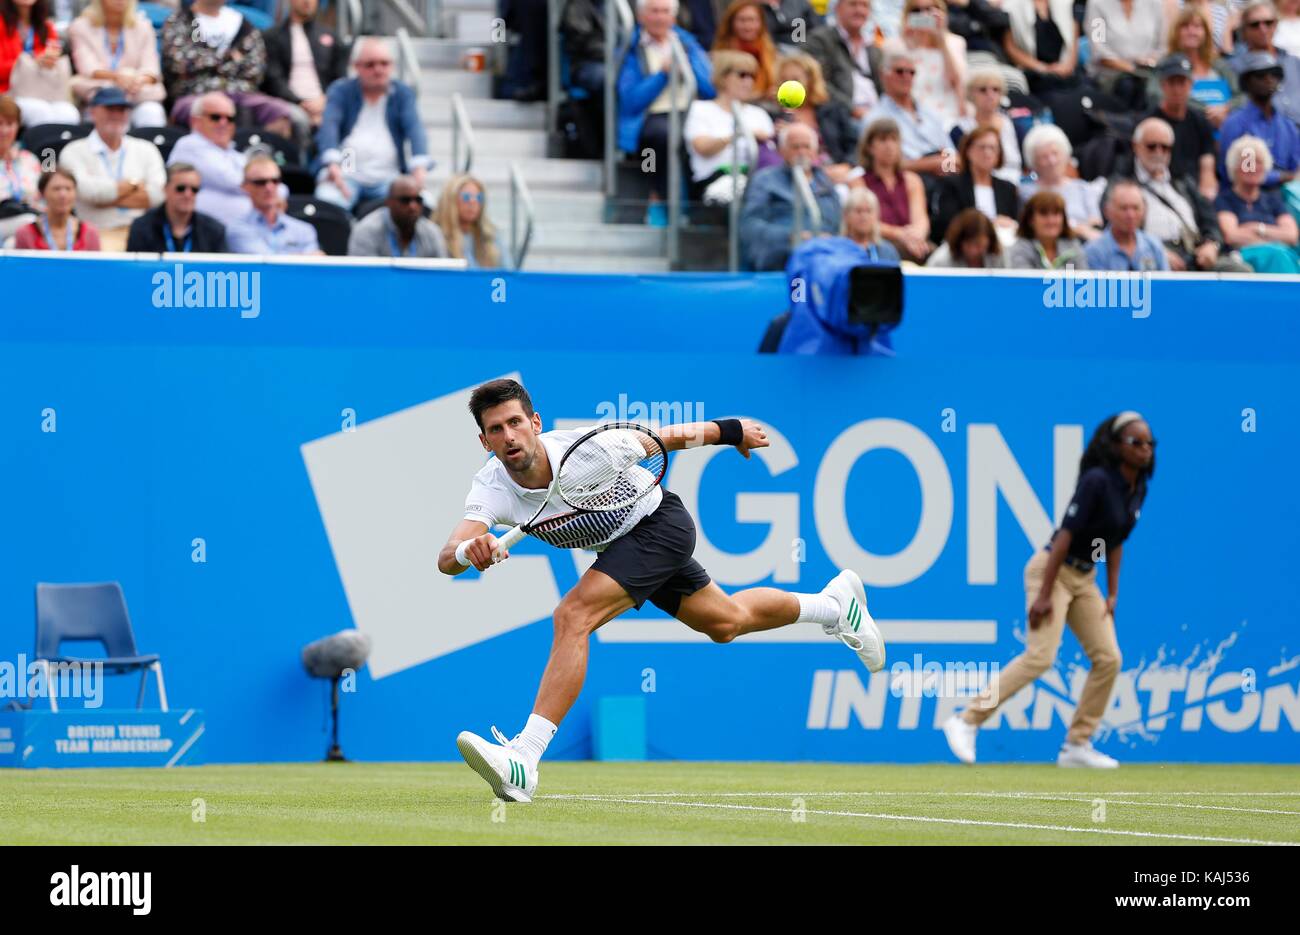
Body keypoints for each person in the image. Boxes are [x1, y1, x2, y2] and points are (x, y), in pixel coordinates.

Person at [442, 379, 885, 802]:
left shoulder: (588, 452)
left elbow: (666, 437)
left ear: (535, 423)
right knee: (726, 621)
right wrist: (470, 549)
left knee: (572, 615)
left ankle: (525, 757)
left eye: (515, 422)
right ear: (485, 442)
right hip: (623, 546)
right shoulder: (493, 486)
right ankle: (834, 606)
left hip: (660, 525)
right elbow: (446, 559)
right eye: (496, 429)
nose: (509, 436)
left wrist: (731, 432)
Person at [943, 413, 1156, 769]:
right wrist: (1043, 594)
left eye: (1150, 443)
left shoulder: (1137, 489)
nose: (1145, 450)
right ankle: (966, 720)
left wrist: (1112, 592)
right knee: (1040, 657)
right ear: (1118, 446)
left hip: (1085, 580)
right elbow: (1065, 536)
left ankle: (1077, 745)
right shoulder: (1097, 481)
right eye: (1136, 443)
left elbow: (1116, 542)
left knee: (1109, 658)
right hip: (1052, 572)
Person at [617, 0, 715, 227]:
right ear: (641, 16)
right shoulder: (631, 48)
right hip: (650, 115)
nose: (660, 17)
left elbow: (710, 88)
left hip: (691, 112)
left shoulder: (687, 44)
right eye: (654, 12)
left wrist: (688, 66)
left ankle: (702, 208)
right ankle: (670, 205)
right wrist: (662, 75)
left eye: (665, 12)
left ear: (673, 17)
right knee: (664, 137)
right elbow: (630, 101)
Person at [315, 37, 431, 213]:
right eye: (370, 64)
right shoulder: (342, 90)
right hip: (348, 169)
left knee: (426, 203)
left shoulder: (402, 93)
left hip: (389, 176)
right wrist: (332, 163)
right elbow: (330, 126)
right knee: (328, 202)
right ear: (356, 66)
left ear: (392, 66)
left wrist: (419, 167)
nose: (378, 70)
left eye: (384, 64)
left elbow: (415, 130)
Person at [161, 0, 295, 137]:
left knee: (287, 115)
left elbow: (254, 68)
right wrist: (231, 57)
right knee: (216, 111)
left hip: (243, 93)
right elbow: (182, 64)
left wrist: (208, 63)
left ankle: (259, 152)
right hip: (196, 94)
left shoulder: (241, 23)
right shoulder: (183, 20)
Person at [1127, 114, 1244, 271]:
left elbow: (1210, 221)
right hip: (1152, 257)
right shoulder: (1124, 184)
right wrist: (1155, 251)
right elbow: (1120, 231)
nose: (1159, 152)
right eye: (1151, 146)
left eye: (1165, 147)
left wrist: (1212, 245)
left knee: (1240, 272)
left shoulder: (1183, 182)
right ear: (1136, 146)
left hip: (1195, 255)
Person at [58, 85, 165, 252]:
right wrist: (134, 185)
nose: (116, 115)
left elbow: (158, 195)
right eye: (110, 109)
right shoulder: (73, 151)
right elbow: (87, 192)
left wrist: (101, 201)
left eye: (121, 109)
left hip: (143, 234)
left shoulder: (146, 149)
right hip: (96, 233)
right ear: (93, 112)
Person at [738, 121, 843, 269]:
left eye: (806, 147)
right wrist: (791, 236)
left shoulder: (825, 182)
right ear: (782, 151)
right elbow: (750, 224)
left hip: (825, 256)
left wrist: (829, 239)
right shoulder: (766, 180)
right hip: (782, 255)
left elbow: (839, 223)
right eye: (795, 147)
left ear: (815, 151)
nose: (801, 152)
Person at [683, 50, 775, 195]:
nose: (748, 81)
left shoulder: (759, 114)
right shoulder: (700, 109)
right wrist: (741, 134)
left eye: (752, 76)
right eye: (742, 75)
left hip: (756, 180)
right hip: (715, 180)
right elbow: (702, 148)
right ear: (723, 77)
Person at [67, 0, 166, 128]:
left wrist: (136, 81)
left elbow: (151, 68)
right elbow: (87, 67)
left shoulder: (144, 26)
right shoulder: (81, 26)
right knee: (107, 113)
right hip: (99, 94)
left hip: (136, 93)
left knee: (151, 112)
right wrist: (117, 78)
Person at [261, 0, 350, 131]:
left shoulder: (331, 36)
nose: (308, 1)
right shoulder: (272, 37)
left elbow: (340, 77)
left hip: (325, 102)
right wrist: (300, 103)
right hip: (289, 105)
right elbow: (274, 79)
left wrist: (325, 100)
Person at [1216, 133, 1300, 271]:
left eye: (1258, 162)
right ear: (1235, 168)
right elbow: (1232, 236)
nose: (1252, 167)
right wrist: (1273, 238)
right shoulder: (1225, 199)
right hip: (1243, 259)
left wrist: (1256, 228)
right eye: (1247, 162)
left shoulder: (1273, 199)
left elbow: (1291, 235)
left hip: (1279, 255)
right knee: (1277, 254)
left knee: (1280, 255)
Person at [862, 47, 951, 176]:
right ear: (883, 75)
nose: (906, 76)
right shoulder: (875, 118)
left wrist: (946, 169)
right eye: (900, 71)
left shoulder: (930, 113)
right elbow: (880, 164)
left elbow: (952, 155)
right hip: (907, 180)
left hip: (944, 179)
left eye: (911, 72)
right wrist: (933, 163)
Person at [852, 116, 932, 259]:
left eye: (894, 140)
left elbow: (921, 218)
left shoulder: (912, 180)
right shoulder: (859, 182)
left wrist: (916, 237)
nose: (889, 146)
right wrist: (900, 234)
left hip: (912, 243)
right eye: (883, 140)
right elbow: (865, 221)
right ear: (870, 147)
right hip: (878, 243)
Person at [167, 92, 250, 228]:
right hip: (201, 235)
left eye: (229, 118)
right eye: (215, 117)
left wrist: (259, 187)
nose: (224, 123)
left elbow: (279, 188)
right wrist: (257, 188)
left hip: (241, 230)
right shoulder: (190, 145)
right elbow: (232, 180)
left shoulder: (234, 154)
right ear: (195, 121)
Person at [1144, 53, 1220, 199]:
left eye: (1182, 82)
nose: (1177, 89)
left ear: (1190, 84)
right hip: (1162, 186)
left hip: (1195, 187)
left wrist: (1207, 185)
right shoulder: (1150, 122)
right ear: (1162, 85)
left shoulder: (1199, 120)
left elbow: (1207, 160)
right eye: (1172, 82)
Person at [1146, 6, 1238, 128]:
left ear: (1206, 32)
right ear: (1176, 32)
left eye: (1197, 26)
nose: (1191, 31)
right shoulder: (1166, 64)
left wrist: (1225, 109)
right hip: (1183, 128)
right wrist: (1206, 111)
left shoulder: (1219, 66)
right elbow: (1154, 94)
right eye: (1185, 26)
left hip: (1223, 125)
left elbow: (1242, 96)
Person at [1219, 50, 1300, 186]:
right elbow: (1245, 172)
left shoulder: (1288, 126)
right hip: (1245, 199)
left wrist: (1289, 177)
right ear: (1247, 82)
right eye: (1260, 75)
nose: (1268, 79)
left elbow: (1295, 167)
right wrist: (1283, 177)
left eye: (1274, 74)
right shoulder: (1235, 124)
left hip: (1284, 196)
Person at [930, 123, 1019, 243]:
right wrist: (991, 224)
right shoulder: (952, 185)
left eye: (993, 148)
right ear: (968, 151)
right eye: (982, 147)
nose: (987, 153)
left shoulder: (1008, 188)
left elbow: (1017, 222)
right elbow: (948, 223)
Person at [805, 0, 883, 134]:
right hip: (842, 117)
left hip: (878, 114)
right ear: (837, 8)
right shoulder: (820, 40)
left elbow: (884, 87)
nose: (859, 10)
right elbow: (819, 84)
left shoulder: (873, 48)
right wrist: (853, 109)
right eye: (853, 4)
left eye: (864, 6)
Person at [771, 53, 858, 170]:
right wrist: (782, 138)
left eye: (795, 79)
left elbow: (854, 144)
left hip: (835, 170)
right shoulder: (774, 114)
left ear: (810, 80)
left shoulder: (832, 110)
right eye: (784, 80)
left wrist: (847, 166)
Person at [887, 0, 968, 126]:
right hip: (910, 116)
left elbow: (957, 82)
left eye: (930, 9)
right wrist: (908, 41)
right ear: (907, 14)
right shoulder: (895, 44)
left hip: (948, 117)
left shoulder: (955, 42)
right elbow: (893, 82)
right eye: (916, 11)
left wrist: (941, 39)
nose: (924, 15)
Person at [0, 0, 79, 127]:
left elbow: (55, 63)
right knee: (39, 112)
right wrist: (29, 63)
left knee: (69, 113)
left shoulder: (47, 27)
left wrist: (49, 62)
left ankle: (58, 147)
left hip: (44, 92)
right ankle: (44, 148)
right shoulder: (2, 24)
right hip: (8, 92)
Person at [1018, 123, 1103, 239]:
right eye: (1044, 156)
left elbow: (1095, 223)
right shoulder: (1026, 192)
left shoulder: (1083, 188)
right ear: (1034, 163)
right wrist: (1078, 229)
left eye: (1055, 153)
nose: (1052, 161)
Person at [225, 152, 321, 254]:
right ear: (245, 186)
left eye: (275, 181)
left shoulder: (304, 230)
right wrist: (303, 257)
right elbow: (267, 265)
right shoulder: (237, 228)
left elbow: (313, 266)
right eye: (260, 182)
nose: (269, 187)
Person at [126, 161, 228, 252]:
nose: (188, 195)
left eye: (194, 189)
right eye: (181, 188)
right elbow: (134, 270)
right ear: (165, 189)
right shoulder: (142, 227)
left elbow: (222, 270)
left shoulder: (214, 230)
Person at [1230, 1, 1300, 127]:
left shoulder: (1293, 62)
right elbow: (1237, 103)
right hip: (1260, 133)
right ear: (1244, 31)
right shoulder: (1235, 66)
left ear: (1276, 25)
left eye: (1268, 23)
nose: (1263, 29)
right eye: (1255, 25)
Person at [1085, 0, 1166, 107]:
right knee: (1128, 86)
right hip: (1110, 78)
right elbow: (1098, 50)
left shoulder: (1154, 3)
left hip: (1148, 74)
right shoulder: (1097, 4)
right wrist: (1133, 69)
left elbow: (1162, 47)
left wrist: (1150, 61)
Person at [950, 66, 1022, 183]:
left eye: (996, 89)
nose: (990, 95)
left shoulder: (1013, 125)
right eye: (983, 90)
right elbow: (949, 165)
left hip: (1014, 182)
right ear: (971, 94)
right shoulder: (959, 129)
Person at [348, 174, 448, 258]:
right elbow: (364, 277)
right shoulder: (366, 231)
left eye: (418, 200)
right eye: (405, 200)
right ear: (389, 202)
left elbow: (442, 276)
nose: (413, 206)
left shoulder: (432, 233)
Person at [1083, 178, 1171, 270]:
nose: (1130, 215)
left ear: (1144, 210)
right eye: (1123, 208)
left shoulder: (1153, 245)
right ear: (1107, 211)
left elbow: (1166, 283)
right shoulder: (1093, 252)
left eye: (1136, 208)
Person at [1001, 0, 1081, 95]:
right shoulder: (1010, 7)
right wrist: (1044, 68)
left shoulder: (1067, 4)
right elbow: (1010, 47)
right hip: (1033, 76)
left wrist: (1068, 66)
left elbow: (1074, 41)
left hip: (1067, 73)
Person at [15, 169, 100, 249]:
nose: (63, 195)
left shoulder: (89, 234)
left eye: (68, 189)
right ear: (42, 193)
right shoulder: (26, 234)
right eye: (56, 189)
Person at [434, 174, 506, 268]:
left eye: (479, 197)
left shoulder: (491, 236)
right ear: (450, 200)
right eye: (466, 197)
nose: (473, 202)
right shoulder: (435, 235)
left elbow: (507, 275)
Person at [1006, 190, 1090, 268]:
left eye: (1056, 213)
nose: (1051, 220)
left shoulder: (1073, 246)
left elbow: (1082, 280)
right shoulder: (1020, 250)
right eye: (1044, 214)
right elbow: (1023, 282)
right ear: (1030, 220)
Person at [713, 0, 777, 99]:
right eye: (742, 20)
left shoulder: (770, 53)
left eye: (752, 20)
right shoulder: (720, 55)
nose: (747, 26)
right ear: (731, 23)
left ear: (761, 23)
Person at [0, 94, 40, 241]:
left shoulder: (29, 160)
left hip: (27, 228)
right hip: (20, 223)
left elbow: (41, 199)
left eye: (10, 124)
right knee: (28, 223)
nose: (4, 131)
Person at [925, 206, 1006, 266]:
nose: (973, 251)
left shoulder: (998, 255)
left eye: (980, 245)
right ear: (959, 241)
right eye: (969, 245)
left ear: (989, 241)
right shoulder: (940, 260)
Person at [840, 185, 902, 260]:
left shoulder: (887, 252)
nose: (864, 217)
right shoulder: (837, 250)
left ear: (876, 215)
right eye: (858, 211)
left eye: (869, 211)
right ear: (846, 215)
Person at [757, 0, 821, 49]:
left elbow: (816, 29)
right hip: (772, 49)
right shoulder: (757, 6)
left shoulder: (800, 3)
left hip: (803, 47)